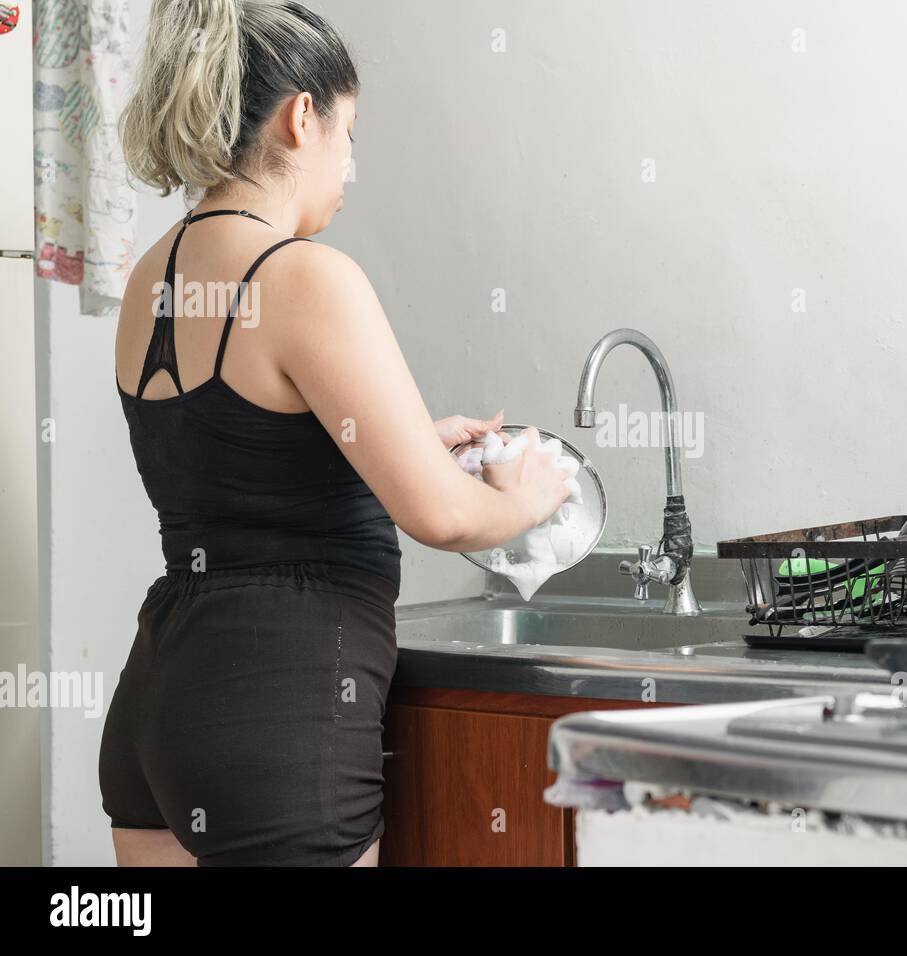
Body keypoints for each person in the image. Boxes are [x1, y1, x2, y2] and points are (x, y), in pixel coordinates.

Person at [101, 0, 569, 866]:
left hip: (158, 706)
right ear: (302, 116)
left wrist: (399, 442)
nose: (352, 164)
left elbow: (234, 458)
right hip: (278, 711)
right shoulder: (305, 275)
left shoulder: (151, 279)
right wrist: (527, 497)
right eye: (350, 132)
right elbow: (446, 519)